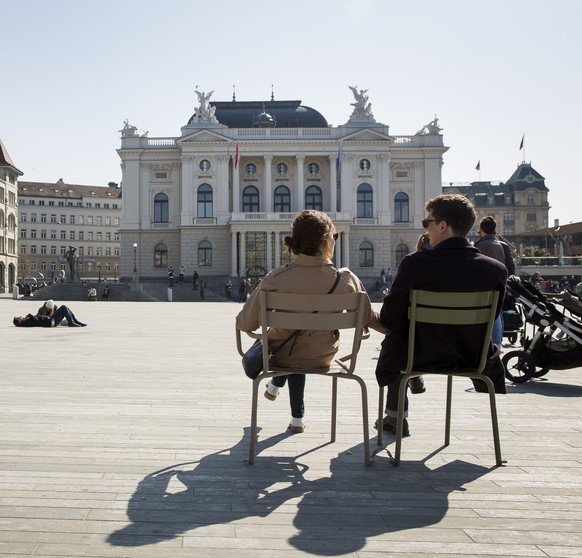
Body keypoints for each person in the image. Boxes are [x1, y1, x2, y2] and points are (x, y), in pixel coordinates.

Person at [236, 210, 385, 434]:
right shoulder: (346, 279)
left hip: (280, 357)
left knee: (287, 343)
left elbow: (245, 324)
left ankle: (279, 390)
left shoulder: (276, 278)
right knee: (302, 345)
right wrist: (395, 327)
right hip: (322, 356)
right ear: (326, 240)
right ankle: (296, 416)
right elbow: (369, 320)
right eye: (334, 237)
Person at [375, 194, 507, 437]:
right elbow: (493, 319)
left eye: (428, 223)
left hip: (418, 358)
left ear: (443, 226)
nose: (426, 228)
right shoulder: (496, 270)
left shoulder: (415, 263)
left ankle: (395, 416)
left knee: (397, 337)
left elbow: (389, 319)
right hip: (471, 357)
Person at [474, 216, 506, 346]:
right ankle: (497, 344)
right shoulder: (499, 245)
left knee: (491, 316)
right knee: (497, 314)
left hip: (484, 288)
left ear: (481, 229)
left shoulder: (481, 245)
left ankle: (494, 345)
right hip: (498, 286)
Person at [13, 304, 87, 327]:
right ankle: (71, 323)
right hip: (50, 322)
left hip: (50, 320)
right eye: (19, 317)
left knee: (65, 308)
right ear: (19, 320)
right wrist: (29, 315)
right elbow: (35, 320)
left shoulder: (26, 322)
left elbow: (37, 318)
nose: (21, 316)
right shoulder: (24, 323)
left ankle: (75, 321)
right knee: (63, 307)